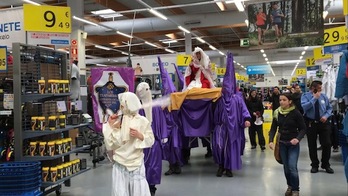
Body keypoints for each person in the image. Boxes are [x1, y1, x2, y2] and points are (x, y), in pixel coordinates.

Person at [103, 92, 155, 196]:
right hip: (120, 162)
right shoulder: (119, 120)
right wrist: (110, 125)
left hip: (136, 163)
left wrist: (140, 135)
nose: (121, 106)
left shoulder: (142, 121)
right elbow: (111, 143)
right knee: (120, 191)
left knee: (139, 191)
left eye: (123, 103)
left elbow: (150, 140)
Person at [269, 93, 306, 196]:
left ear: (290, 101)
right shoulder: (277, 113)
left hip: (293, 144)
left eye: (284, 100)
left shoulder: (296, 113)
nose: (281, 102)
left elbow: (303, 128)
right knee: (286, 167)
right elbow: (273, 128)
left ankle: (295, 190)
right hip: (282, 144)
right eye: (280, 100)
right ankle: (289, 186)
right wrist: (271, 140)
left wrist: (298, 139)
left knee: (292, 167)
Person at [301, 81, 334, 174]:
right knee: (312, 145)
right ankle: (314, 165)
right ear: (313, 88)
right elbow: (305, 107)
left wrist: (326, 116)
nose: (321, 89)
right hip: (311, 123)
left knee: (327, 143)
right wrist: (314, 99)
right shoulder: (305, 96)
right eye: (319, 88)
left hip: (323, 123)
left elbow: (329, 108)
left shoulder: (324, 96)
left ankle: (326, 164)